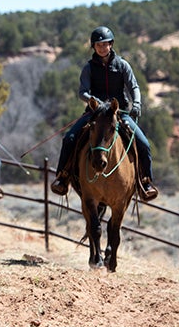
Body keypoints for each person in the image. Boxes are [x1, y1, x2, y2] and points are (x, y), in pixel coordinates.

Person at [50, 26, 158, 200]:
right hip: (95, 114)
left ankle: (145, 182)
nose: (102, 47)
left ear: (111, 44)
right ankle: (63, 177)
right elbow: (82, 92)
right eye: (98, 45)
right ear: (93, 47)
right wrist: (94, 101)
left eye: (105, 44)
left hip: (120, 113)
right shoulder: (89, 68)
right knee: (69, 138)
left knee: (143, 143)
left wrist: (137, 103)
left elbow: (134, 87)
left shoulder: (122, 65)